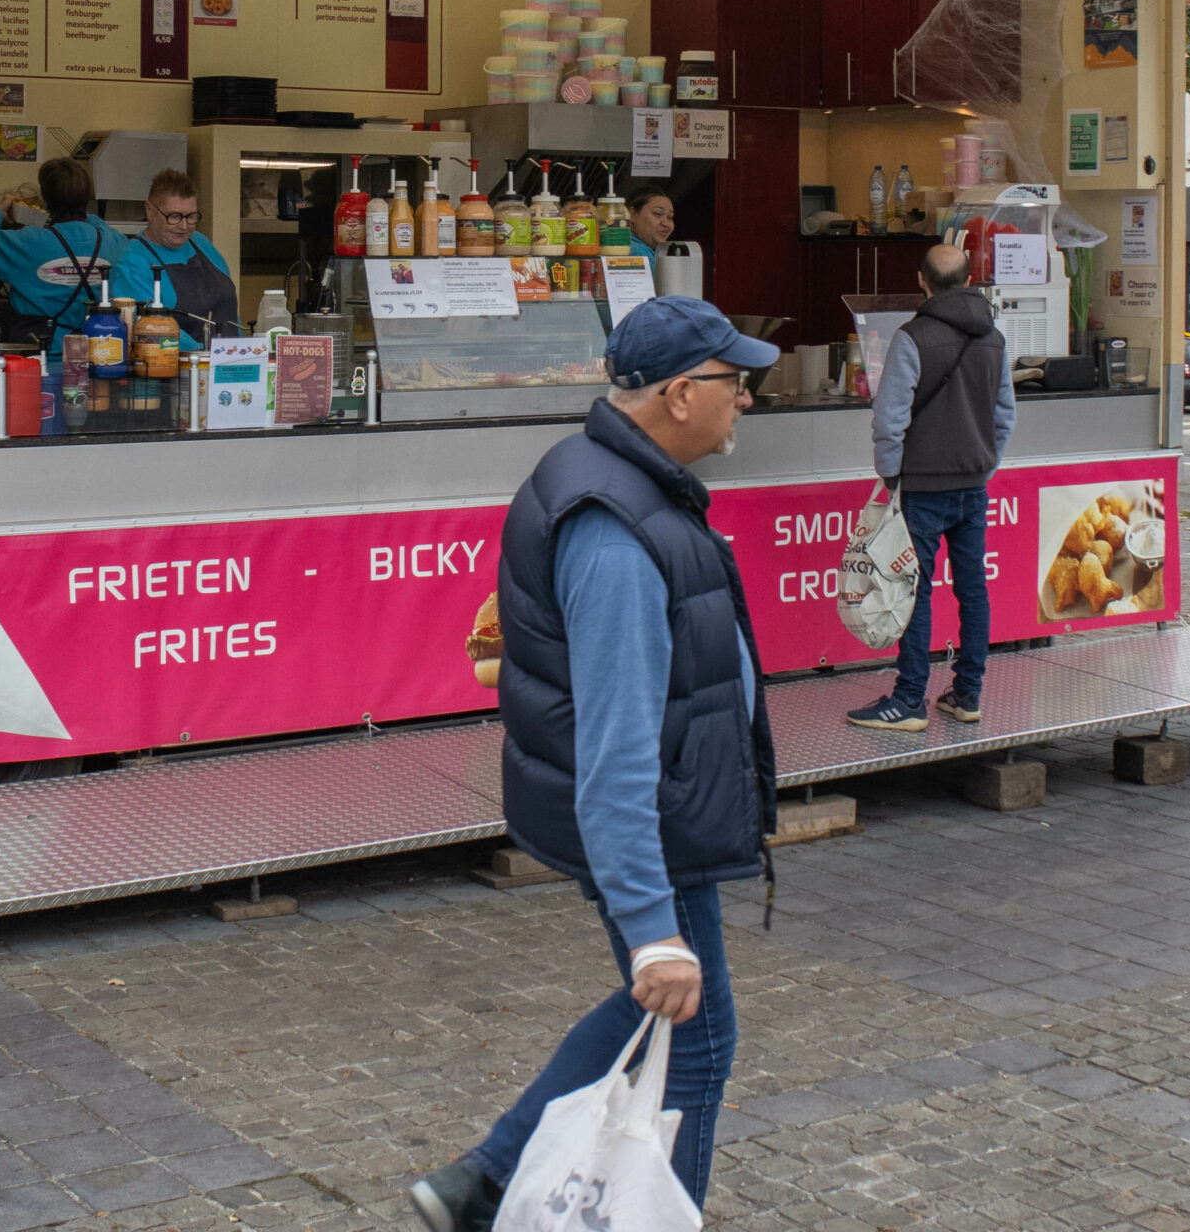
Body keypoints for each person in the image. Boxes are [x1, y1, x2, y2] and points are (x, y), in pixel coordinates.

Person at [409, 296, 780, 1232]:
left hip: (674, 796)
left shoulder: (617, 478)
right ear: (680, 395)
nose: (746, 401)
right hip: (659, 819)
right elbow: (615, 751)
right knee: (695, 1036)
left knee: (660, 1009)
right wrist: (651, 921)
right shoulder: (614, 530)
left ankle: (482, 1182)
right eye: (736, 385)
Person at [846, 242, 1016, 731]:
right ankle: (967, 695)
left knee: (912, 591)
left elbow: (890, 418)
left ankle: (909, 701)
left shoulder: (911, 338)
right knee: (972, 589)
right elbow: (1005, 414)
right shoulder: (994, 338)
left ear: (922, 281)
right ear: (967, 280)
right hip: (973, 484)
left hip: (921, 487)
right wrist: (986, 464)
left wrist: (890, 473)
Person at [0, 156, 128, 366]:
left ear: (45, 199)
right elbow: (96, 225)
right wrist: (82, 215)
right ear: (86, 198)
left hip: (38, 360)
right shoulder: (114, 242)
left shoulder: (28, 242)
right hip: (100, 358)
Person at [106, 167, 240, 353]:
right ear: (150, 210)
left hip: (233, 361)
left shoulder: (201, 244)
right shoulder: (131, 265)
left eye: (191, 216)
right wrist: (207, 353)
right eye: (174, 216)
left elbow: (228, 308)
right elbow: (152, 329)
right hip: (174, 369)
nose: (184, 226)